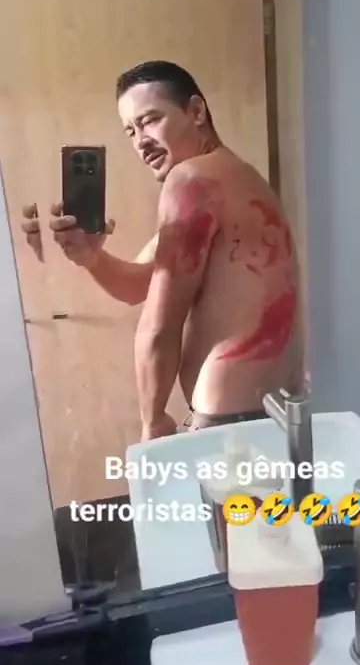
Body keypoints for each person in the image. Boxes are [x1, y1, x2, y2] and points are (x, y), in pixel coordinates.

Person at [22, 61, 303, 441]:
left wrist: (152, 419)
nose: (141, 141)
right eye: (131, 130)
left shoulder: (191, 180)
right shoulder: (240, 177)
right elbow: (139, 285)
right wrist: (91, 257)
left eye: (150, 120)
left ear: (196, 111)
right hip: (275, 410)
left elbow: (158, 326)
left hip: (232, 421)